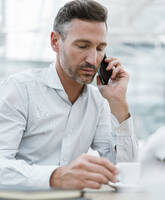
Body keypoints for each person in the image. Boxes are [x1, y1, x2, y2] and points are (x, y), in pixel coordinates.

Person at [0, 0, 138, 189]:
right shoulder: (19, 89)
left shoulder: (98, 101)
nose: (93, 59)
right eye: (82, 46)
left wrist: (118, 103)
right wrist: (55, 177)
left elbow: (123, 173)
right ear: (55, 41)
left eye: (100, 49)